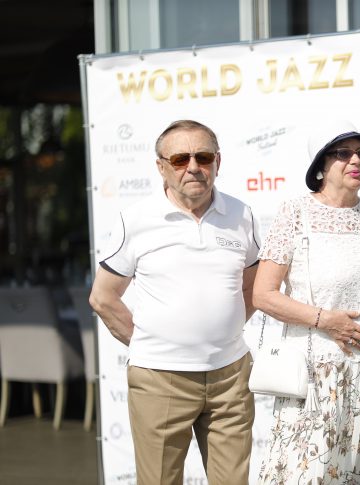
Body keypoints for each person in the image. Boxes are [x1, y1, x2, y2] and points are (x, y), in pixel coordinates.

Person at [89, 120, 259, 485]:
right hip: (160, 380)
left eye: (204, 157)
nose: (193, 167)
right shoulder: (136, 220)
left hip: (230, 377)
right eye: (180, 159)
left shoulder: (241, 215)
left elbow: (252, 288)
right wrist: (151, 343)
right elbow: (103, 298)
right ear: (161, 167)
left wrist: (222, 333)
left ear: (218, 162)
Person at [253, 120, 360, 484]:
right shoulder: (296, 213)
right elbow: (263, 295)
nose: (356, 160)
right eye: (343, 153)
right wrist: (325, 320)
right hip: (320, 380)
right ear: (321, 165)